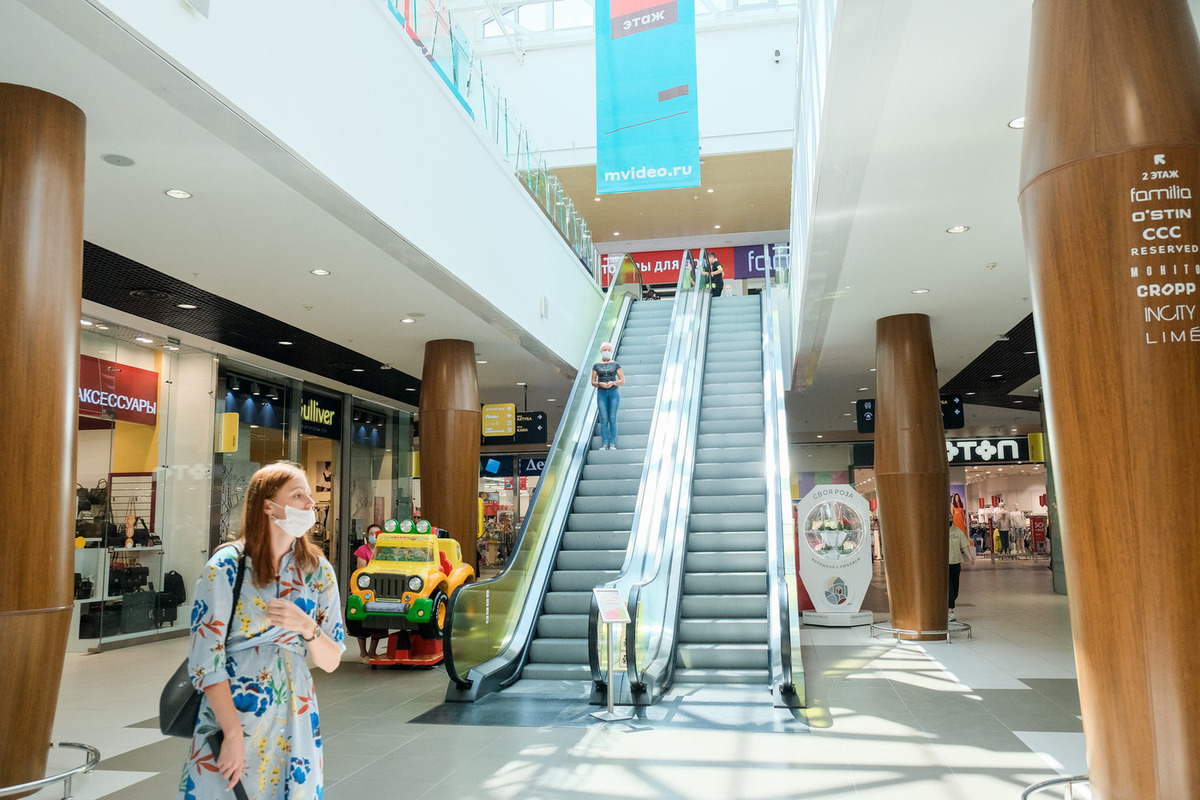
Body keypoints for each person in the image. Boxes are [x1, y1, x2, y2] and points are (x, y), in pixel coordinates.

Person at [178, 461, 345, 800]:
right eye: (297, 495)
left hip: (295, 711)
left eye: (309, 495)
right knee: (224, 789)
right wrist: (232, 735)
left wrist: (307, 627)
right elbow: (206, 661)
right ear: (268, 506)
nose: (310, 503)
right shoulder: (226, 567)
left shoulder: (317, 571)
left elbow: (331, 661)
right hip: (234, 710)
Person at [349, 523, 387, 662]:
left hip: (380, 590)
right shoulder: (362, 550)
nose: (373, 536)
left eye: (376, 534)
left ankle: (372, 651)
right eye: (371, 534)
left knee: (378, 621)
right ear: (367, 535)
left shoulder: (385, 551)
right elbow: (361, 570)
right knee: (362, 621)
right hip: (364, 589)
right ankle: (363, 652)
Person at [591, 341, 624, 450]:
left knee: (612, 418)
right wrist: (600, 384)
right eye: (605, 350)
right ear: (601, 351)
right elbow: (593, 382)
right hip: (601, 392)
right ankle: (605, 444)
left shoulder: (616, 364)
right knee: (604, 418)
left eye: (608, 350)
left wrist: (613, 383)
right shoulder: (596, 365)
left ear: (611, 351)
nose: (607, 352)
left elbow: (622, 380)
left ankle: (612, 443)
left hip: (613, 392)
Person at [948, 516, 976, 622]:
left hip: (956, 562)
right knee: (949, 588)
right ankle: (950, 610)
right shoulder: (938, 531)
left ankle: (948, 605)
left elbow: (964, 546)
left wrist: (970, 557)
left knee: (955, 589)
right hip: (944, 564)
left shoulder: (958, 531)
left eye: (949, 517)